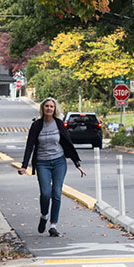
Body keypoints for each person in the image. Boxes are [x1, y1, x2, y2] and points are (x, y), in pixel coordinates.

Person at [18, 97, 85, 237]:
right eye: (47, 106)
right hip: (42, 163)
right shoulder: (37, 125)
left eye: (51, 107)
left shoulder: (59, 124)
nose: (49, 108)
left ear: (55, 109)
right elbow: (30, 146)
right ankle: (44, 216)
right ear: (43, 109)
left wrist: (77, 163)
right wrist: (24, 166)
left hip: (59, 161)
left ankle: (53, 225)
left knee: (56, 192)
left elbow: (68, 143)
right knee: (45, 193)